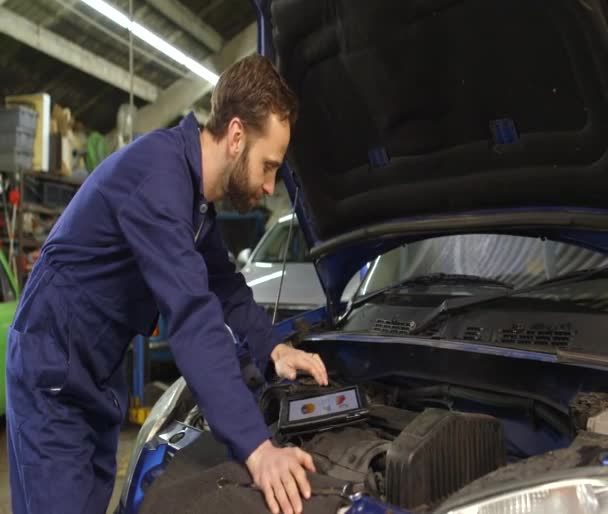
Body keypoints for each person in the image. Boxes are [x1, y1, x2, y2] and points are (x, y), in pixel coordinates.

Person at [6, 54, 328, 514]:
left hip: (92, 369)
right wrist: (258, 449)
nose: (270, 187)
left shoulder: (194, 198)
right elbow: (194, 319)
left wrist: (273, 349)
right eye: (269, 165)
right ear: (236, 136)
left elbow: (224, 284)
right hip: (53, 369)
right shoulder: (159, 181)